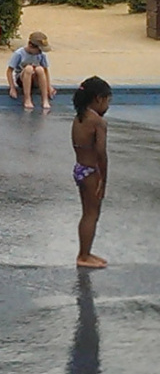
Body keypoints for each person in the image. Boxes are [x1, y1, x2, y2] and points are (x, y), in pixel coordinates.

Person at [71, 76, 111, 269]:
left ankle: (86, 252)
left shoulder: (80, 116)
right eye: (108, 100)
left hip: (80, 168)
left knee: (87, 212)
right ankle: (83, 256)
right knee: (91, 214)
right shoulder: (98, 122)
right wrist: (103, 179)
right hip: (91, 172)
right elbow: (101, 153)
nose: (108, 105)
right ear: (98, 98)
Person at [6, 31, 57, 110]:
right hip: (23, 79)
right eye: (39, 50)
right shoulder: (19, 54)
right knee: (29, 68)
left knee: (40, 69)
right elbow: (9, 71)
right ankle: (27, 99)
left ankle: (45, 99)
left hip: (36, 79)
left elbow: (46, 70)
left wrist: (49, 86)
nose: (40, 52)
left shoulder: (41, 55)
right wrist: (12, 88)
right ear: (30, 45)